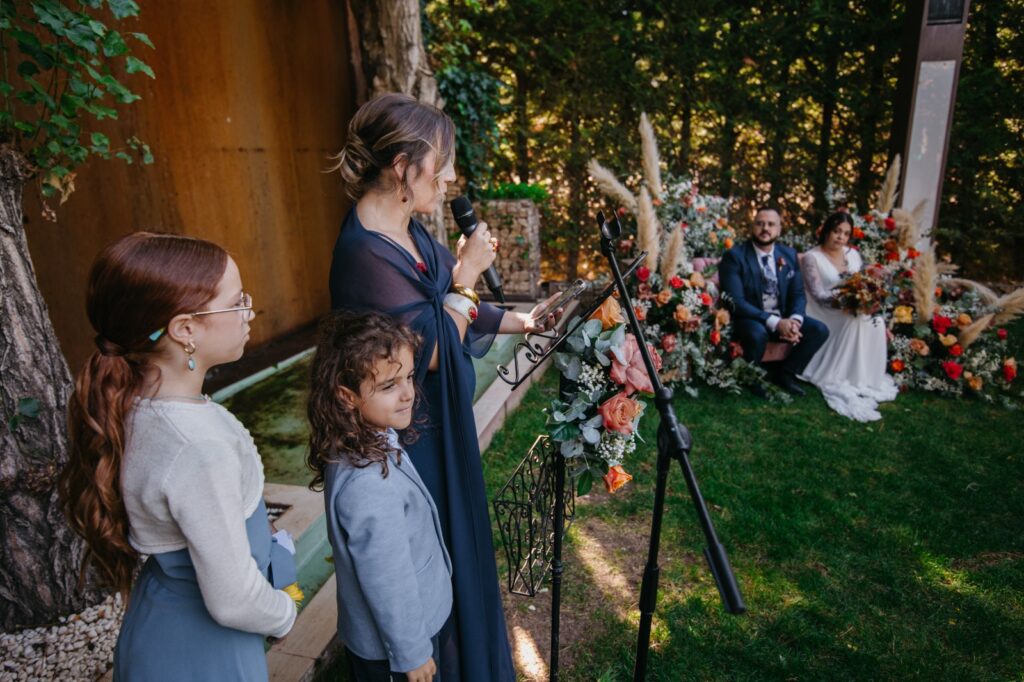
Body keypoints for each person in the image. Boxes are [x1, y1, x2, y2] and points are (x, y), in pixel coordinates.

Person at [328, 93, 557, 681]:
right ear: (404, 167)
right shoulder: (362, 253)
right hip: (410, 438)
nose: (452, 175)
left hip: (435, 424)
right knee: (422, 559)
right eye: (443, 161)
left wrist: (522, 320)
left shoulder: (410, 230)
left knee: (452, 553)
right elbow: (426, 348)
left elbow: (451, 303)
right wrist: (471, 275)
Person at [59, 232, 299, 681]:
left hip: (160, 627)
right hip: (205, 652)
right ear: (185, 329)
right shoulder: (198, 447)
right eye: (236, 301)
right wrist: (284, 612)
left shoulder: (134, 406)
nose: (249, 311)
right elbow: (233, 598)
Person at [307, 311, 451, 682]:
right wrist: (412, 653)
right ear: (347, 396)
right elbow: (387, 577)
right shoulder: (367, 483)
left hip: (412, 628)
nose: (408, 393)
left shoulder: (368, 435)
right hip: (398, 649)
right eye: (389, 386)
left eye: (407, 377)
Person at [719, 206, 829, 396]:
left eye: (771, 224)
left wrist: (795, 320)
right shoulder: (735, 256)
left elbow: (798, 293)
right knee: (757, 333)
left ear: (779, 229)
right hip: (750, 318)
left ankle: (785, 373)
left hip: (783, 317)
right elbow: (735, 301)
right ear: (752, 227)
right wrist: (775, 323)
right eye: (760, 223)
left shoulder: (788, 255)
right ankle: (752, 378)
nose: (765, 228)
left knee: (819, 330)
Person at [799, 212, 898, 421]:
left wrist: (864, 300)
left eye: (845, 233)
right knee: (853, 320)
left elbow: (861, 282)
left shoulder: (852, 254)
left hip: (849, 307)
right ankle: (838, 374)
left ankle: (862, 377)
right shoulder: (811, 257)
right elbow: (817, 295)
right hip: (822, 310)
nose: (840, 237)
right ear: (826, 231)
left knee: (876, 321)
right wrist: (848, 301)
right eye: (836, 231)